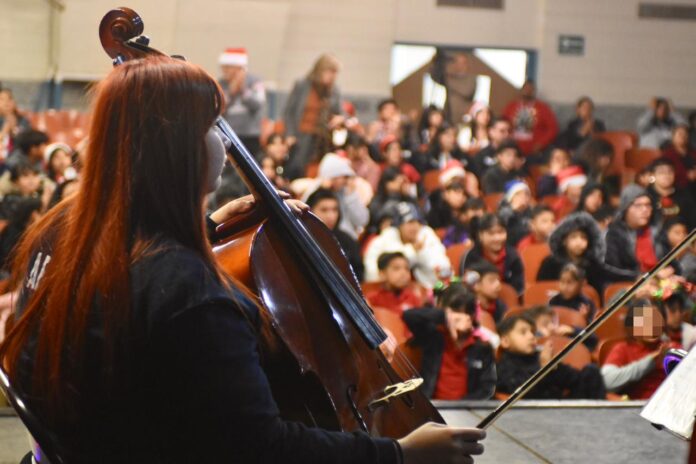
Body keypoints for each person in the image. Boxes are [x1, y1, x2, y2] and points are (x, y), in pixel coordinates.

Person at [0, 55, 484, 464]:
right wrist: (399, 453)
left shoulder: (59, 230)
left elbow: (126, 277)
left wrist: (208, 226)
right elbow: (259, 447)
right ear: (177, 150)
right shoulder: (193, 293)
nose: (226, 142)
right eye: (212, 126)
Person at [402, 283, 496, 400]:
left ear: (471, 316)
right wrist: (444, 316)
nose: (459, 318)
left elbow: (487, 389)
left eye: (464, 313)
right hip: (433, 405)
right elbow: (408, 316)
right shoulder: (433, 336)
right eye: (455, 312)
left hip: (467, 407)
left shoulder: (482, 347)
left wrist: (463, 406)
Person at [495, 314, 605, 399]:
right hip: (535, 412)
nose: (531, 336)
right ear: (505, 341)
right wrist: (544, 369)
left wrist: (555, 367)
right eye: (523, 332)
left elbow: (574, 380)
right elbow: (523, 393)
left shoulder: (540, 355)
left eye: (533, 332)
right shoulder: (503, 366)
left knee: (591, 371)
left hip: (562, 406)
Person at [538, 212, 634, 296]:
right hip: (556, 309)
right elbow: (541, 291)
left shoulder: (592, 264)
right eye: (574, 237)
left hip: (591, 309)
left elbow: (612, 275)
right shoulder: (550, 264)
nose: (579, 242)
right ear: (564, 241)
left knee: (636, 301)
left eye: (583, 238)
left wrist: (636, 277)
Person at [283, 54, 344, 180]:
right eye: (330, 71)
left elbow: (340, 112)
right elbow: (289, 112)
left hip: (321, 139)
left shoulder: (334, 90)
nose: (333, 76)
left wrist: (339, 118)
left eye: (335, 73)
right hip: (300, 135)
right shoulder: (302, 85)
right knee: (296, 168)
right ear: (320, 70)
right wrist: (290, 134)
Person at [364, 201, 451, 288]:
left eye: (418, 222)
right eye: (410, 222)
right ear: (399, 225)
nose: (415, 226)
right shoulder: (383, 241)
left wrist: (422, 253)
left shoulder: (426, 236)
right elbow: (373, 275)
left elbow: (443, 267)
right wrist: (412, 251)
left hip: (425, 290)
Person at [601, 300, 674, 399]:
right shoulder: (623, 349)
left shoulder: (672, 348)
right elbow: (607, 381)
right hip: (636, 406)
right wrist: (650, 361)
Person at [605, 185, 667, 278]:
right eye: (638, 205)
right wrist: (641, 277)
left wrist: (671, 269)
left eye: (648, 205)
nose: (645, 210)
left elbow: (670, 261)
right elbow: (612, 270)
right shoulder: (614, 235)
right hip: (631, 283)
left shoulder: (657, 231)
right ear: (625, 208)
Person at [306, 188, 364, 282]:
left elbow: (358, 275)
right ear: (310, 210)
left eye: (334, 210)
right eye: (324, 210)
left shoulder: (347, 240)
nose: (331, 216)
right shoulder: (304, 237)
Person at [217, 47, 266, 158]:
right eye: (223, 67)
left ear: (239, 68)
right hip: (228, 132)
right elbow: (219, 107)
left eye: (228, 67)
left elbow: (258, 104)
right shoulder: (221, 83)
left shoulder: (255, 81)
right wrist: (231, 92)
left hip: (250, 135)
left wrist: (242, 90)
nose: (224, 70)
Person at [460, 213, 525, 295]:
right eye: (491, 233)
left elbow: (518, 290)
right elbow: (466, 288)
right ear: (480, 235)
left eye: (501, 232)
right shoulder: (470, 256)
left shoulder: (514, 256)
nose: (497, 238)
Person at [501, 80, 558, 160]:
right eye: (525, 89)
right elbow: (502, 124)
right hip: (512, 149)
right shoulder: (511, 107)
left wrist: (541, 144)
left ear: (534, 91)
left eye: (530, 89)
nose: (527, 91)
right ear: (521, 90)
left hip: (534, 151)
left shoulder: (543, 108)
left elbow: (552, 129)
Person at [365, 252, 423, 316]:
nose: (403, 273)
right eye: (396, 268)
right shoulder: (372, 300)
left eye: (406, 268)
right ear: (382, 274)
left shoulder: (413, 298)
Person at [646, 158, 696, 230]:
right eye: (661, 172)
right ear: (652, 175)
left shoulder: (684, 194)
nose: (666, 175)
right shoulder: (646, 196)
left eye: (670, 171)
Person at [439, 53, 477, 126]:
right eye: (457, 62)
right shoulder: (450, 77)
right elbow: (436, 77)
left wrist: (449, 81)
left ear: (467, 64)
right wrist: (440, 62)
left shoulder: (471, 79)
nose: (460, 65)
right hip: (448, 117)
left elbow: (467, 91)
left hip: (462, 119)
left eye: (462, 62)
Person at [497, 180, 532, 247]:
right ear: (510, 197)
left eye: (526, 194)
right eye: (518, 194)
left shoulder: (530, 211)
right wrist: (514, 210)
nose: (523, 197)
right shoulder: (503, 212)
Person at [661, 124, 696, 191]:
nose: (683, 136)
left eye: (685, 134)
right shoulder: (667, 154)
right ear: (673, 137)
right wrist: (687, 175)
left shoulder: (693, 152)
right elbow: (667, 172)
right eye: (680, 134)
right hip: (678, 186)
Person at [0, 88, 32, 160]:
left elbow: (28, 142)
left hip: (17, 158)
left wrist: (14, 130)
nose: (6, 103)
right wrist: (6, 129)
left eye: (10, 98)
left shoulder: (23, 121)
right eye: (2, 99)